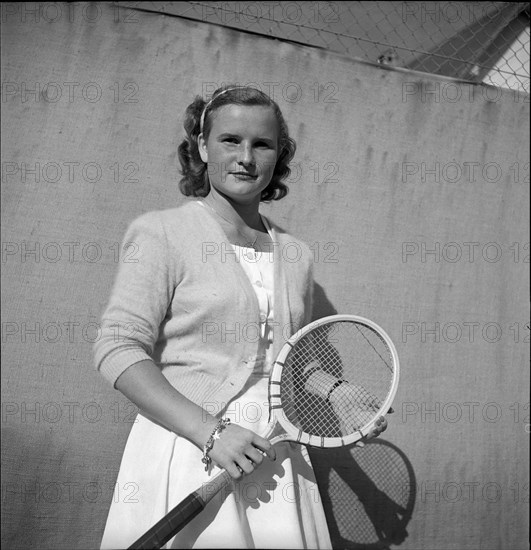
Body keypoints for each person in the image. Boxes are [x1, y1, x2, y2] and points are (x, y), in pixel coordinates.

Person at [94, 85, 387, 549]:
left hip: (275, 455)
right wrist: (210, 434)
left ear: (278, 157)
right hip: (190, 448)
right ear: (201, 147)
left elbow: (291, 359)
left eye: (262, 144)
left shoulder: (296, 254)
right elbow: (117, 348)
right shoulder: (161, 233)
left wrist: (338, 392)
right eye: (231, 140)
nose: (245, 157)